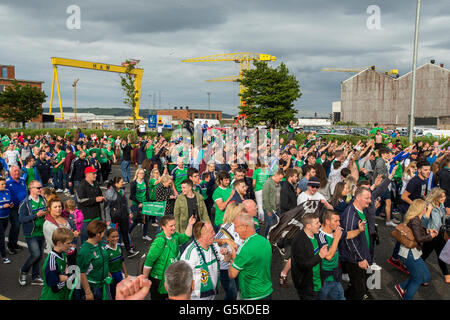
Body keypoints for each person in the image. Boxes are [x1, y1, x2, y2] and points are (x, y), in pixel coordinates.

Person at [142, 214, 196, 300]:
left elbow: (186, 237)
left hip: (171, 278)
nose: (174, 228)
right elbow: (149, 261)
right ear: (163, 227)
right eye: (171, 226)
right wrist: (144, 279)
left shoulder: (175, 236)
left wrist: (190, 224)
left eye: (174, 225)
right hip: (159, 280)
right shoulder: (159, 241)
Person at [394, 200, 438, 300]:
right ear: (421, 209)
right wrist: (431, 236)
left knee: (426, 276)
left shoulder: (416, 219)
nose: (426, 208)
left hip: (414, 252)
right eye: (425, 207)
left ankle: (402, 286)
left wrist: (428, 231)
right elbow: (419, 238)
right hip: (409, 253)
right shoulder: (415, 220)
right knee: (418, 278)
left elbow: (418, 233)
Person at [317, 209, 366, 300]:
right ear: (327, 221)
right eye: (336, 221)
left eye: (339, 220)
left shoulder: (335, 232)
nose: (339, 223)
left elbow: (348, 234)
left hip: (335, 276)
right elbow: (328, 256)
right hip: (324, 279)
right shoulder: (321, 236)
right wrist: (336, 239)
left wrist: (359, 230)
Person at [228, 213, 273, 300]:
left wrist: (234, 257)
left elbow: (232, 274)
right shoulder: (265, 241)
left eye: (236, 227)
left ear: (244, 227)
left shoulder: (245, 248)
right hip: (267, 292)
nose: (234, 230)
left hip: (252, 295)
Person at [181, 221, 229, 300]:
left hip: (211, 295)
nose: (214, 233)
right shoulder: (190, 254)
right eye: (211, 232)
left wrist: (226, 253)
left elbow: (226, 260)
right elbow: (182, 281)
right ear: (202, 235)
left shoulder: (214, 246)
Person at [339, 187, 372, 300]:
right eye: (367, 198)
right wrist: (360, 258)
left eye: (370, 198)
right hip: (354, 259)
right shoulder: (351, 215)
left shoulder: (362, 210)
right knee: (359, 290)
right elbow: (349, 239)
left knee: (357, 285)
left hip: (363, 254)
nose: (370, 200)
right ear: (357, 198)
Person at [291, 212, 329, 300]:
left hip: (317, 281)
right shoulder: (299, 242)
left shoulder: (315, 235)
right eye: (317, 223)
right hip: (307, 286)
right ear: (308, 226)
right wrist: (320, 256)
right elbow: (303, 265)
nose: (320, 224)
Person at [18, 180, 47, 286]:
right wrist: (36, 216)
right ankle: (23, 270)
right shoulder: (25, 202)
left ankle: (35, 276)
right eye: (38, 188)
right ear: (31, 189)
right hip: (31, 233)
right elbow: (21, 219)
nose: (40, 189)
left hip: (42, 232)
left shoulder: (43, 199)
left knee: (39, 256)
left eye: (41, 187)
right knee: (35, 254)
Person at [214, 203, 244, 300]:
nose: (243, 213)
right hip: (226, 268)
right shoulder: (227, 227)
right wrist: (227, 241)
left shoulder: (239, 225)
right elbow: (214, 241)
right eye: (241, 212)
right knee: (232, 294)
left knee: (237, 292)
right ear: (235, 214)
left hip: (236, 264)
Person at [76, 220, 111, 300]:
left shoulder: (99, 243)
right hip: (93, 288)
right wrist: (88, 292)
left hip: (104, 284)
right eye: (103, 233)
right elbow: (81, 272)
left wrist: (107, 271)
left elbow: (103, 259)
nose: (104, 235)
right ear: (98, 234)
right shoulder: (85, 251)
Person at [105, 176, 139, 258]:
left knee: (125, 233)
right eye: (121, 182)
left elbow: (126, 203)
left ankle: (129, 251)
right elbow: (107, 206)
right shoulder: (110, 191)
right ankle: (114, 252)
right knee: (114, 235)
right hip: (115, 217)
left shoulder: (122, 190)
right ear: (116, 183)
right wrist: (108, 219)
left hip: (123, 216)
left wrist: (129, 212)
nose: (123, 183)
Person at [422, 188, 450, 283]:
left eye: (444, 196)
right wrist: (428, 210)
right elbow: (423, 222)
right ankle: (417, 274)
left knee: (441, 255)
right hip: (431, 235)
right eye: (441, 196)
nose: (444, 198)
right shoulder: (428, 205)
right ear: (435, 196)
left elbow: (441, 218)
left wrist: (447, 215)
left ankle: (446, 274)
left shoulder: (441, 205)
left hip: (440, 234)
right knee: (423, 256)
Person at [39, 227, 75, 300]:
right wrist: (67, 277)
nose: (71, 245)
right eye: (68, 243)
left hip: (63, 295)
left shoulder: (63, 254)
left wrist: (64, 277)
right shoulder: (51, 263)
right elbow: (55, 288)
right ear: (59, 243)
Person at [76, 166, 104, 243]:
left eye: (96, 173)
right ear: (87, 174)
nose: (96, 175)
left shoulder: (96, 183)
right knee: (86, 240)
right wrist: (95, 199)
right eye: (94, 173)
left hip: (97, 215)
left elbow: (100, 194)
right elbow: (80, 200)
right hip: (86, 218)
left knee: (99, 238)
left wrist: (102, 198)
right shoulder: (81, 185)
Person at [6, 165, 28, 254]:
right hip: (13, 208)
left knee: (18, 226)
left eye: (18, 171)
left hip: (22, 207)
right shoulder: (7, 183)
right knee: (16, 225)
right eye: (15, 171)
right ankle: (10, 245)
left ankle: (14, 243)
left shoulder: (22, 180)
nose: (17, 173)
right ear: (10, 172)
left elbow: (26, 192)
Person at [104, 228, 128, 300]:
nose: (115, 238)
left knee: (121, 290)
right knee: (113, 292)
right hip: (112, 275)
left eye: (117, 236)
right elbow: (105, 264)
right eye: (113, 237)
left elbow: (122, 261)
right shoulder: (106, 250)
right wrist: (108, 272)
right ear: (107, 238)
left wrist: (125, 273)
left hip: (119, 273)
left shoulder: (119, 246)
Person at [129, 168, 151, 241]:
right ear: (137, 174)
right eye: (140, 173)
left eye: (143, 173)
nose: (142, 175)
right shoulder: (133, 183)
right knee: (136, 220)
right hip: (136, 204)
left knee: (146, 220)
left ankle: (144, 235)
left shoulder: (145, 182)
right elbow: (131, 196)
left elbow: (147, 193)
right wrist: (139, 203)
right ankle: (127, 233)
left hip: (145, 204)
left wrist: (148, 202)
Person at [262, 169, 283, 237]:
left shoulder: (278, 183)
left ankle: (272, 238)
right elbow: (265, 198)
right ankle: (266, 239)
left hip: (277, 208)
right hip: (270, 209)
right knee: (270, 226)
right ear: (275, 175)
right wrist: (268, 211)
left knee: (276, 225)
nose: (281, 180)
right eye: (280, 178)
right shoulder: (267, 183)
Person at [0, 177, 12, 264]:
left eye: (4, 184)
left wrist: (11, 205)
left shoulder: (7, 191)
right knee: (2, 237)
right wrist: (2, 207)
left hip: (6, 217)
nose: (4, 185)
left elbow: (10, 201)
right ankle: (4, 256)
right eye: (2, 184)